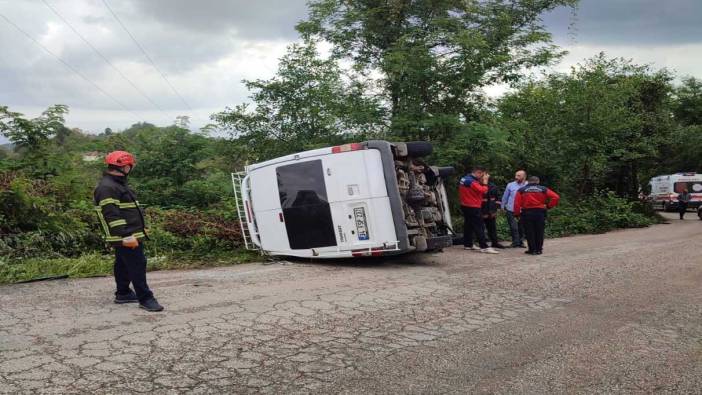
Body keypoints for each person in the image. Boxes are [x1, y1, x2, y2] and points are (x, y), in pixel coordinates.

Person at [94, 151, 163, 312]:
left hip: (131, 232)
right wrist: (125, 235)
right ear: (125, 166)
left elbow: (128, 210)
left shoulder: (117, 184)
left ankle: (123, 293)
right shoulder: (107, 187)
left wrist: (140, 227)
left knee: (123, 263)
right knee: (137, 263)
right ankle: (146, 298)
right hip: (125, 234)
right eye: (130, 166)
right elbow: (111, 214)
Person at [513, 176, 560, 255]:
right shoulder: (543, 189)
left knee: (529, 232)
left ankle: (532, 250)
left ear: (528, 181)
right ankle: (539, 249)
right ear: (538, 181)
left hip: (527, 213)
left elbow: (516, 203)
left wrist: (517, 214)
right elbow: (556, 197)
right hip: (540, 212)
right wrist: (548, 206)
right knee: (539, 231)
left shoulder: (521, 190)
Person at [459, 166, 499, 254]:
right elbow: (483, 191)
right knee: (479, 226)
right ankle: (484, 246)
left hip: (465, 205)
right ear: (478, 173)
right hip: (473, 206)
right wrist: (485, 182)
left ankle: (468, 244)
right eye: (482, 175)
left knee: (468, 225)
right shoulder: (472, 181)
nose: (483, 177)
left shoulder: (465, 178)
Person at [501, 170, 527, 248]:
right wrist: (502, 206)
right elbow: (505, 196)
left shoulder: (528, 185)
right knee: (513, 226)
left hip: (523, 210)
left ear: (524, 176)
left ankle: (521, 242)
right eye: (516, 175)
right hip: (511, 209)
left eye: (518, 176)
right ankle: (515, 242)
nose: (516, 177)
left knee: (521, 227)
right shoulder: (510, 185)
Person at [480, 182, 506, 249]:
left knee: (492, 228)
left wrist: (496, 209)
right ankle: (483, 244)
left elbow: (498, 198)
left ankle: (495, 243)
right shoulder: (477, 185)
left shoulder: (493, 185)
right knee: (480, 228)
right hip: (481, 210)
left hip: (491, 210)